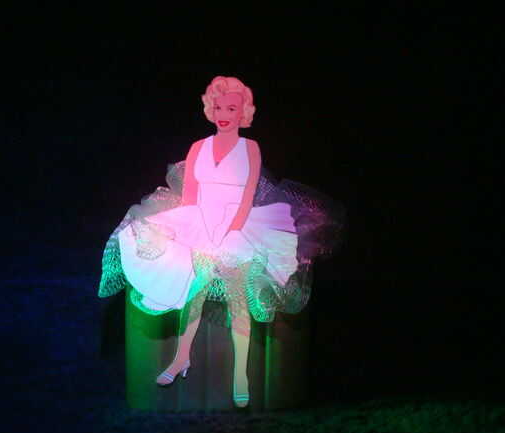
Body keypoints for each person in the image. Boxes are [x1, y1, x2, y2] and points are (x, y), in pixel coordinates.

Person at [99, 76, 344, 408]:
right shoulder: (198, 147)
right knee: (196, 289)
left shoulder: (250, 148)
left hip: (238, 226)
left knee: (238, 297)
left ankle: (240, 374)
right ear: (210, 110)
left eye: (232, 108)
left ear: (243, 112)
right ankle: (181, 357)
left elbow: (247, 195)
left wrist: (230, 231)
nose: (224, 114)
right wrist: (189, 228)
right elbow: (190, 197)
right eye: (219, 107)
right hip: (201, 221)